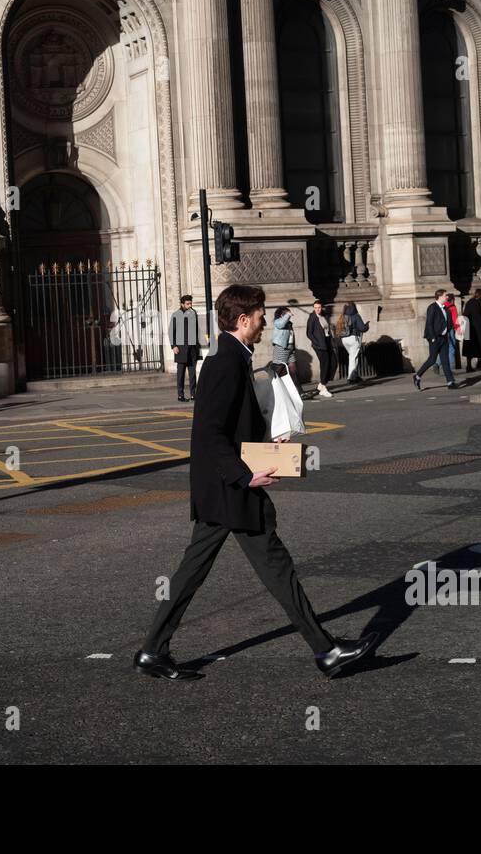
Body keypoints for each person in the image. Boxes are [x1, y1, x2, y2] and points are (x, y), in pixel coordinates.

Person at [134, 284, 378, 681]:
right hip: (230, 489)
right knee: (274, 568)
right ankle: (326, 652)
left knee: (202, 571)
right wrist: (245, 475)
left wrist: (268, 443)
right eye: (261, 316)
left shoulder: (234, 357)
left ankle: (152, 651)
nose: (265, 322)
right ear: (243, 319)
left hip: (224, 490)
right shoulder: (225, 361)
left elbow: (230, 428)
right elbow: (210, 433)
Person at [413, 288, 457, 391]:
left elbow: (449, 322)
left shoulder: (446, 308)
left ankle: (450, 382)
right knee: (432, 359)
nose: (447, 297)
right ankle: (417, 375)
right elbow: (429, 323)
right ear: (440, 296)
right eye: (445, 295)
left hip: (444, 337)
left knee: (445, 360)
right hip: (435, 338)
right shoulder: (432, 307)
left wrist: (447, 330)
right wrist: (432, 337)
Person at [170, 295, 200, 402]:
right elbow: (171, 332)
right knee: (181, 374)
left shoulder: (193, 313)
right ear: (182, 304)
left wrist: (197, 345)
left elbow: (196, 330)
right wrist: (173, 346)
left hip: (192, 348)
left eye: (191, 303)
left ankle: (193, 394)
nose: (190, 305)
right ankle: (180, 395)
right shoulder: (175, 315)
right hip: (181, 348)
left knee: (192, 374)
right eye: (188, 304)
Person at [306, 299, 334, 398]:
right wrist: (317, 342)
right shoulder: (312, 317)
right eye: (315, 308)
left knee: (332, 362)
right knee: (325, 364)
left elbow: (327, 328)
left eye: (319, 307)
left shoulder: (324, 315)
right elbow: (309, 333)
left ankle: (321, 385)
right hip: (319, 345)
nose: (317, 309)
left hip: (327, 342)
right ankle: (323, 387)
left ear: (322, 308)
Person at [270, 307, 301, 396]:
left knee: (293, 370)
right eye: (287, 313)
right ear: (281, 315)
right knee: (278, 369)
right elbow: (281, 325)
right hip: (281, 348)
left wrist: (293, 347)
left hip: (290, 348)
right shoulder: (278, 321)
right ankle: (271, 390)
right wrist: (288, 315)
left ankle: (299, 391)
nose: (289, 315)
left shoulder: (289, 323)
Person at [335, 301, 368, 383]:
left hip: (344, 339)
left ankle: (355, 376)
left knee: (353, 356)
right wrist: (367, 326)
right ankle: (351, 378)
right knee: (353, 357)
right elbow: (362, 328)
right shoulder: (356, 316)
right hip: (354, 338)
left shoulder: (342, 316)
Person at [462, 289, 481, 371]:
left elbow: (465, 314)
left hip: (469, 326)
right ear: (480, 295)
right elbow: (478, 315)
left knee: (469, 346)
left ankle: (468, 366)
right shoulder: (478, 302)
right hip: (478, 326)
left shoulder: (469, 302)